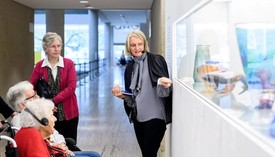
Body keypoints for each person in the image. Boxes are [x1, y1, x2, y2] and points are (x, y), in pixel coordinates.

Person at [111, 29, 172, 157]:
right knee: (146, 153)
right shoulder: (129, 67)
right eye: (133, 45)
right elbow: (132, 97)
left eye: (140, 44)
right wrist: (120, 95)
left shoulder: (157, 60)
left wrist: (163, 82)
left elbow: (165, 92)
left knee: (149, 153)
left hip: (156, 117)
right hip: (138, 118)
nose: (137, 48)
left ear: (144, 44)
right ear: (129, 47)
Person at [6, 80, 101, 157]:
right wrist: (54, 146)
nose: (38, 97)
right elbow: (37, 147)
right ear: (22, 104)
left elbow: (54, 133)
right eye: (33, 96)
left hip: (58, 151)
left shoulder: (36, 114)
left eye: (36, 93)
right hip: (54, 153)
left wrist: (62, 144)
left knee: (94, 154)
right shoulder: (23, 121)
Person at [29, 32, 79, 143]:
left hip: (69, 113)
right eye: (53, 46)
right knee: (51, 145)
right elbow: (31, 89)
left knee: (70, 144)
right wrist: (45, 105)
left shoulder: (69, 64)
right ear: (45, 48)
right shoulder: (39, 66)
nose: (57, 49)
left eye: (59, 46)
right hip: (47, 114)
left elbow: (71, 88)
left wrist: (52, 102)